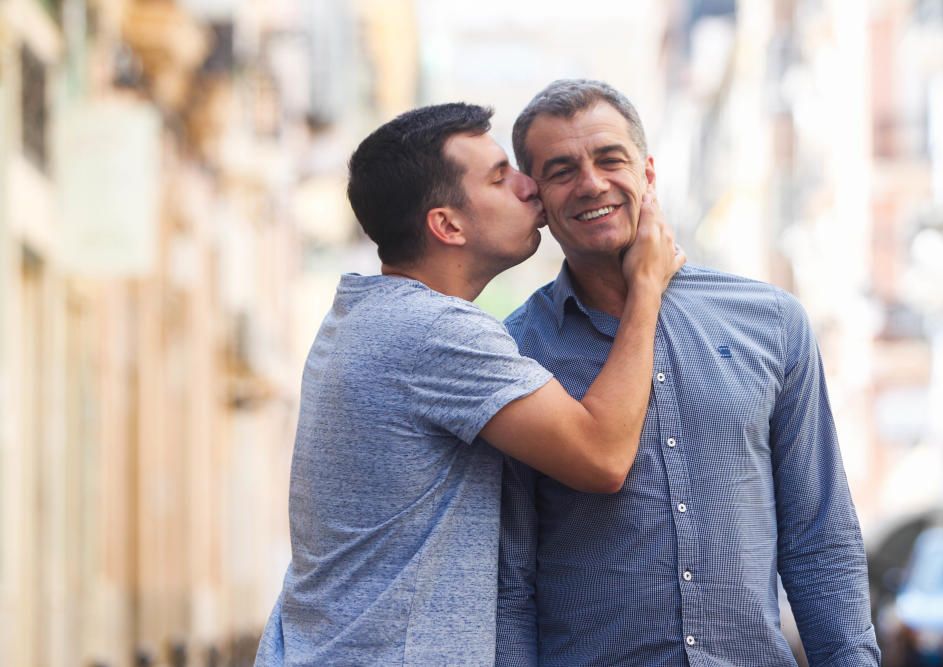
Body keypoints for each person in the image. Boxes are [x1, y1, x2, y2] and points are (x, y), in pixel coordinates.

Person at [254, 102, 684, 666]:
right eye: (501, 177)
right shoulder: (433, 332)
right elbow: (601, 455)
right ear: (447, 225)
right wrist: (646, 287)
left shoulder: (367, 315)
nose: (530, 187)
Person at [496, 79, 880, 666]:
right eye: (562, 169)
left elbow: (820, 540)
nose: (592, 183)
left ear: (647, 172)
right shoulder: (515, 351)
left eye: (610, 159)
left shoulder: (771, 323)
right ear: (538, 200)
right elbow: (511, 577)